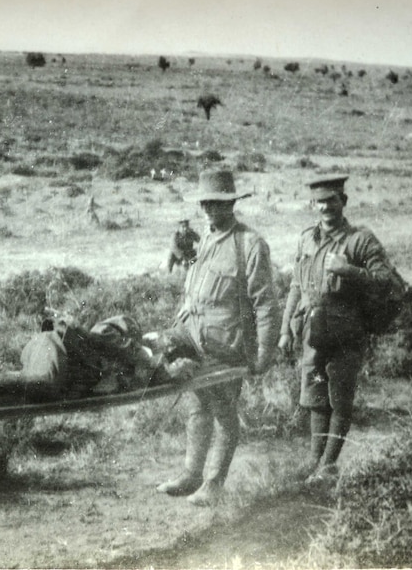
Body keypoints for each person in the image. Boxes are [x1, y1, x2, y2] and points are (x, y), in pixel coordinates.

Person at [152, 169, 280, 507]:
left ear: (232, 203)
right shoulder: (204, 239)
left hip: (227, 344)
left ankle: (213, 483)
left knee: (224, 410)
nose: (210, 209)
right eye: (206, 202)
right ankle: (192, 474)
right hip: (193, 338)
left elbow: (266, 303)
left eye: (218, 203)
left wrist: (265, 353)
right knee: (196, 405)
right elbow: (188, 283)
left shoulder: (249, 244)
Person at [277, 176, 397, 484]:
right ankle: (315, 462)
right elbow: (295, 285)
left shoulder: (361, 239)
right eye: (320, 201)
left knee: (340, 399)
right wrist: (285, 330)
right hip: (311, 334)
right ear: (312, 205)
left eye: (332, 200)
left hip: (345, 334)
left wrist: (349, 271)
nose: (326, 206)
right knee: (317, 397)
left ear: (343, 201)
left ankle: (328, 466)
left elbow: (386, 280)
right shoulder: (306, 238)